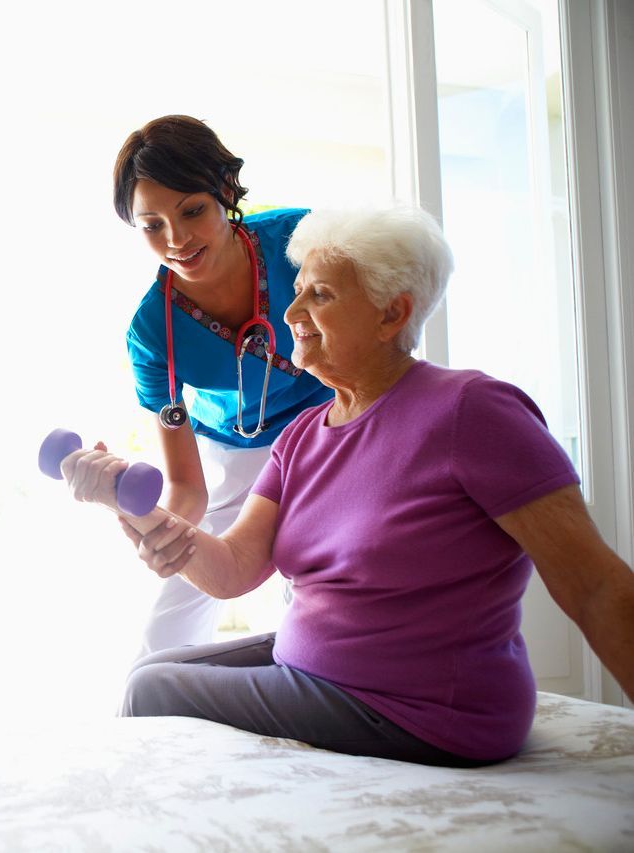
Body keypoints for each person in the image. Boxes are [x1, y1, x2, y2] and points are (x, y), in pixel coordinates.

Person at [62, 204, 634, 767]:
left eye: (321, 295)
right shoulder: (302, 435)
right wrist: (126, 501)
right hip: (315, 672)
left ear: (392, 315)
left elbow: (595, 587)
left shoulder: (473, 411)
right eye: (298, 290)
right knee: (148, 673)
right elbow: (230, 569)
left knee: (153, 692)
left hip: (423, 709)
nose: (291, 313)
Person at [113, 115, 332, 657]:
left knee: (313, 588)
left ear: (226, 193)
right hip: (234, 448)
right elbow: (187, 487)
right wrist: (163, 535)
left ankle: (312, 691)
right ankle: (149, 719)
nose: (177, 239)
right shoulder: (152, 332)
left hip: (329, 429)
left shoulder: (302, 240)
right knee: (174, 610)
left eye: (192, 211)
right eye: (152, 225)